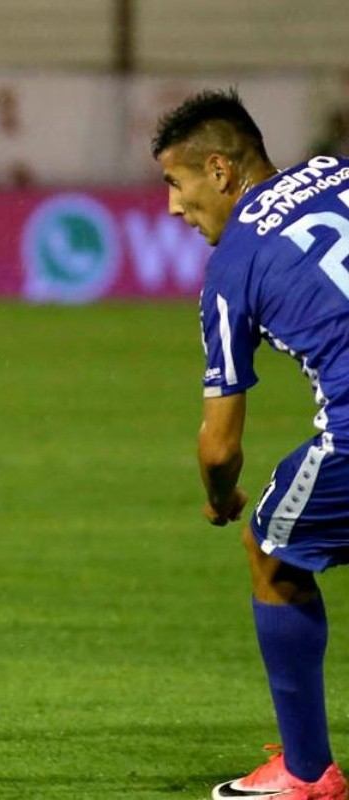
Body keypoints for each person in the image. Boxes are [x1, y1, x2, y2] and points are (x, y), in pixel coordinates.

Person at [152, 88, 349, 800]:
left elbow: (218, 446)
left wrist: (219, 497)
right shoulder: (337, 173)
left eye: (177, 183)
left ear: (221, 172)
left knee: (271, 549)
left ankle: (306, 774)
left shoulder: (233, 264)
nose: (173, 208)